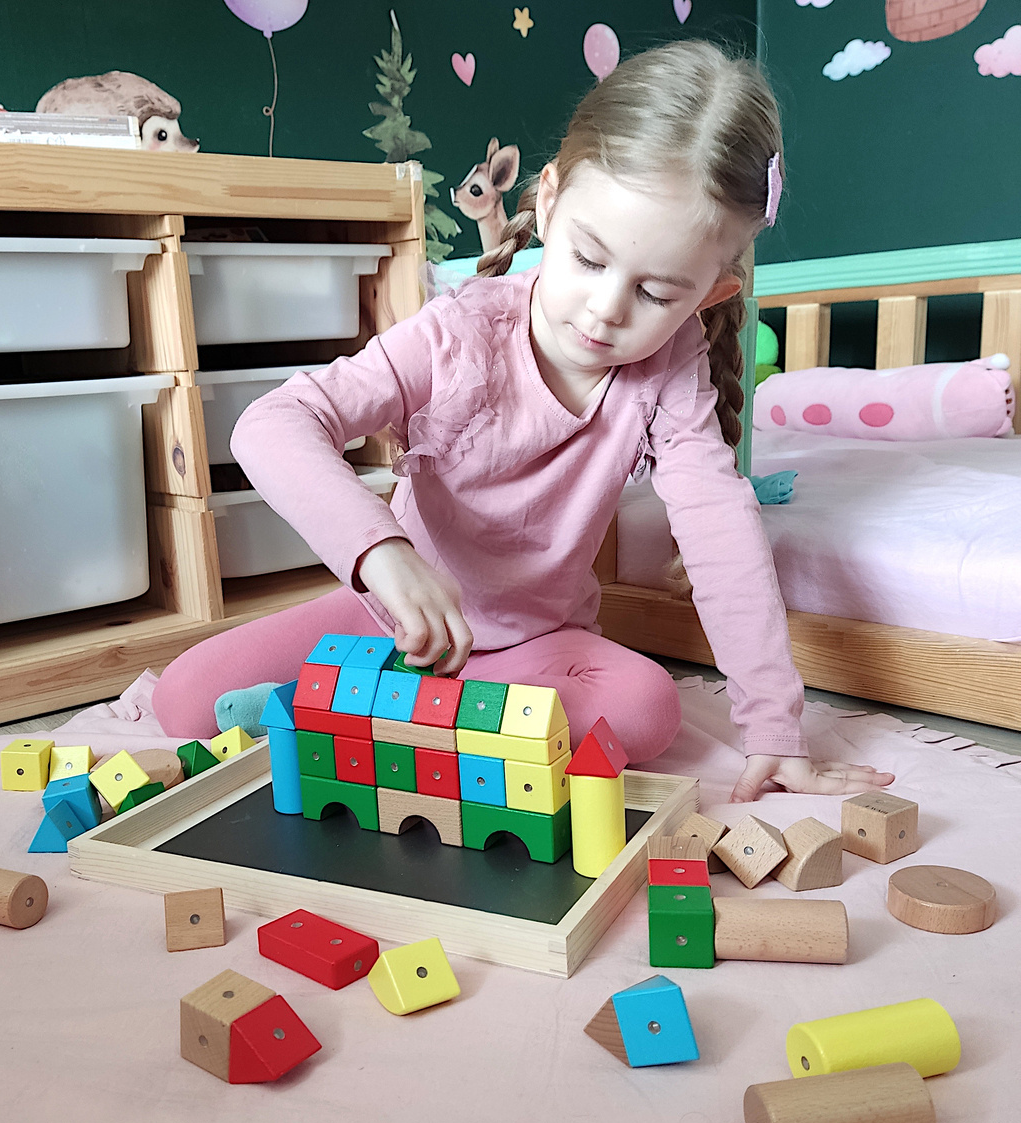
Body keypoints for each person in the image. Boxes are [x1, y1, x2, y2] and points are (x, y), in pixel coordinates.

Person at [152, 40, 894, 804]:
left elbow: (721, 530)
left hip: (537, 649)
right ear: (548, 201)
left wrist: (774, 728)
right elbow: (274, 422)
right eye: (590, 260)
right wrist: (383, 555)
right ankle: (423, 711)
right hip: (390, 618)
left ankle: (388, 714)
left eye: (657, 294)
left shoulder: (672, 373)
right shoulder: (459, 333)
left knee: (646, 710)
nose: (605, 311)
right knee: (184, 701)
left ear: (709, 295)